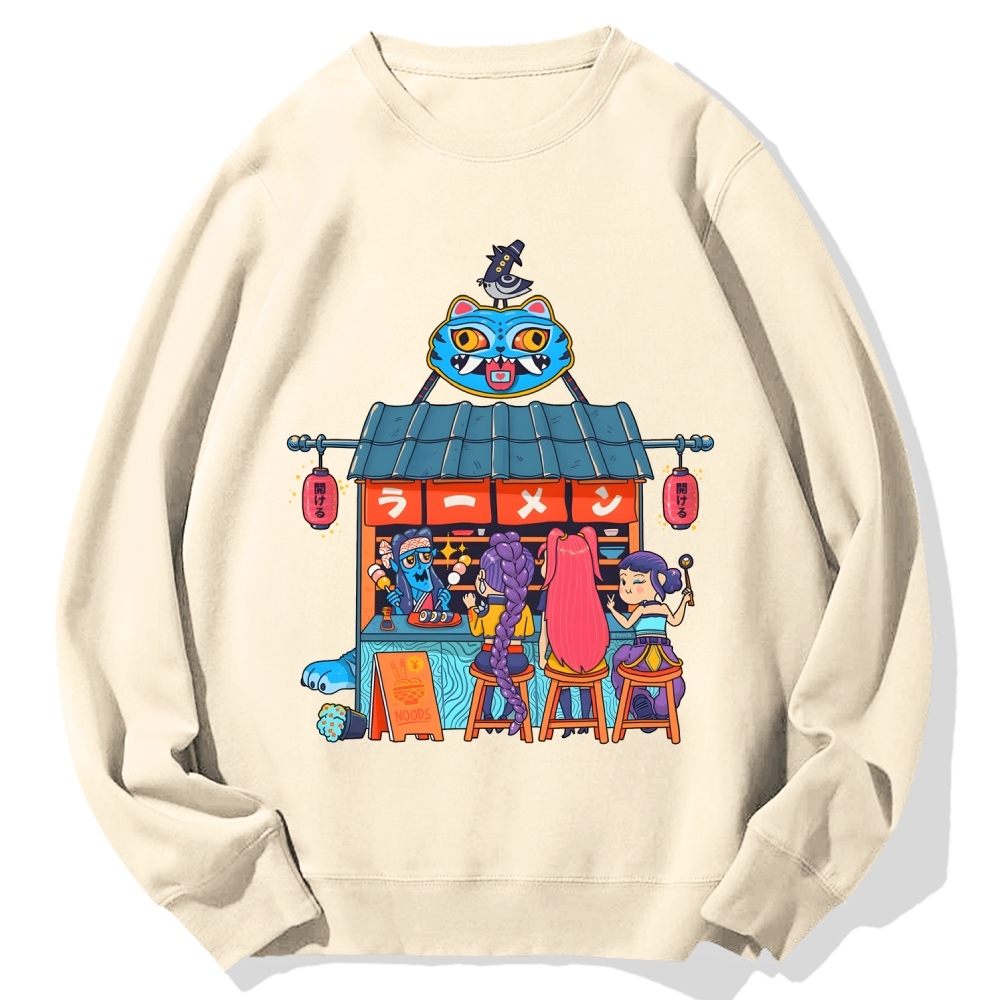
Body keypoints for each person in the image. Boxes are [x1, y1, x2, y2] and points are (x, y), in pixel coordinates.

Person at [606, 551, 692, 732]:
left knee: (620, 657)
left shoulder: (641, 609)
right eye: (623, 582)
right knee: (675, 680)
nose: (627, 588)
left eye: (637, 581)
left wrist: (613, 610)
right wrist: (684, 601)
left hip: (640, 655)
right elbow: (675, 620)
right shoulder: (663, 608)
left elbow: (626, 623)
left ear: (658, 580)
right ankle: (662, 708)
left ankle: (637, 699)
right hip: (664, 656)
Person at [537, 527, 610, 737]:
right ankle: (586, 720)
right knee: (585, 681)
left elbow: (544, 631)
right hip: (593, 660)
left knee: (563, 681)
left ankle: (568, 721)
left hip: (563, 660)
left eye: (547, 561)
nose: (543, 567)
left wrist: (541, 657)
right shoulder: (590, 593)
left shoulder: (550, 594)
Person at [462, 531, 534, 735]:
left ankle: (486, 714)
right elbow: (529, 631)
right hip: (517, 661)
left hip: (487, 659)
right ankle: (506, 714)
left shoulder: (485, 610)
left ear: (482, 579)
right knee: (511, 681)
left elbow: (476, 631)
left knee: (490, 682)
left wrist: (471, 608)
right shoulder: (524, 610)